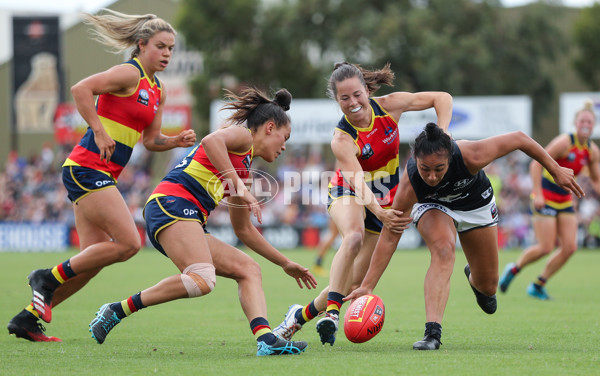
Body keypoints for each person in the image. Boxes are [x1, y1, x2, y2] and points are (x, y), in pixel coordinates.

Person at [7, 9, 196, 342]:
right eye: (161, 47)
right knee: (128, 243)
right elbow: (81, 89)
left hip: (100, 173)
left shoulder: (157, 90)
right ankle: (45, 277)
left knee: (89, 263)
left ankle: (28, 318)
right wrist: (97, 129)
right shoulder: (128, 73)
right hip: (86, 167)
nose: (167, 54)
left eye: (171, 49)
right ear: (141, 45)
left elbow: (151, 141)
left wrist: (174, 141)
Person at [88, 87, 318, 356]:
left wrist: (285, 263)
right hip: (171, 204)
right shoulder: (243, 137)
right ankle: (117, 309)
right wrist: (239, 187)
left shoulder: (243, 171)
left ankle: (265, 339)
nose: (284, 146)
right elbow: (211, 141)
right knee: (203, 279)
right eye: (285, 137)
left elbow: (243, 229)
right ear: (269, 127)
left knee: (249, 269)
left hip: (184, 216)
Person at [344, 123, 584, 350]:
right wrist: (368, 285)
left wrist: (555, 169)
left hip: (475, 205)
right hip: (432, 206)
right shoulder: (411, 183)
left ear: (450, 158)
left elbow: (520, 138)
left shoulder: (472, 154)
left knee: (489, 285)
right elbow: (390, 235)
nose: (431, 177)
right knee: (444, 250)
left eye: (439, 168)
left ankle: (475, 279)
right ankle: (432, 333)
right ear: (416, 159)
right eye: (425, 168)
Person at [273, 62, 453, 346]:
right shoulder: (342, 138)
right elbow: (357, 183)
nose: (352, 103)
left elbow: (442, 98)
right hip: (349, 191)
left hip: (383, 198)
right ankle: (332, 314)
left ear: (367, 90)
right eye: (344, 98)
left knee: (352, 286)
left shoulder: (390, 106)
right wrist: (381, 212)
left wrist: (444, 133)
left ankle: (297, 317)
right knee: (353, 235)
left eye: (357, 94)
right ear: (337, 100)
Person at [499, 100, 600, 300]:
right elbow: (536, 165)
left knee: (570, 247)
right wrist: (537, 194)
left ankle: (538, 285)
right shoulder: (564, 142)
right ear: (576, 123)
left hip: (564, 200)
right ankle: (514, 269)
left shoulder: (592, 151)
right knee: (546, 247)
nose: (586, 124)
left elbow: (596, 180)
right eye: (582, 121)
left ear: (594, 124)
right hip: (545, 196)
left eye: (590, 121)